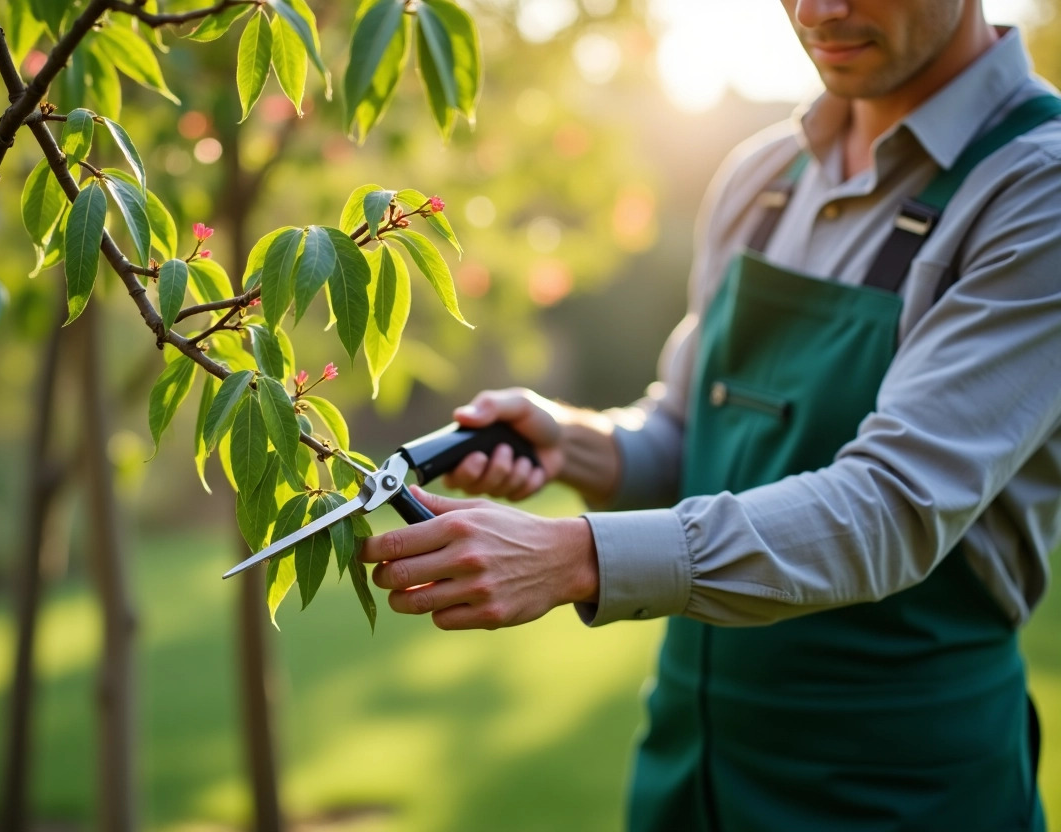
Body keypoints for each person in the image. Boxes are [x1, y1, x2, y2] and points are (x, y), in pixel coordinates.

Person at [360, 1, 1061, 830]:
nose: (816, 12)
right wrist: (575, 442)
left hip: (896, 782)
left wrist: (579, 557)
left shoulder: (1034, 188)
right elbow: (691, 432)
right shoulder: (762, 176)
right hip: (690, 771)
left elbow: (893, 507)